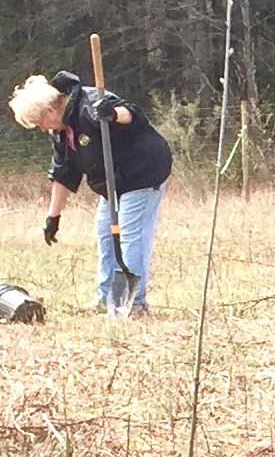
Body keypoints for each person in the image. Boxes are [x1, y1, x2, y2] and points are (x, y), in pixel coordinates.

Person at [12, 71, 174, 314]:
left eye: (38, 123)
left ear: (50, 111)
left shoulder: (89, 103)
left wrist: (111, 113)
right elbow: (63, 172)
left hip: (142, 172)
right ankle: (105, 297)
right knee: (105, 233)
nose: (40, 128)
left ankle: (130, 305)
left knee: (130, 236)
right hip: (112, 183)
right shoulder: (61, 131)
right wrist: (53, 217)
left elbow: (132, 115)